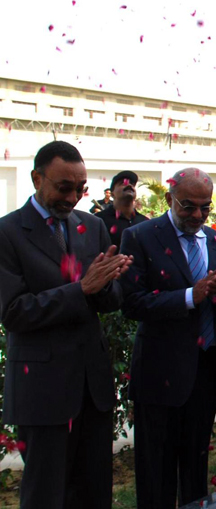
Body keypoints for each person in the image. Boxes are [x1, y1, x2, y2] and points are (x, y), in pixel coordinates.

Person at [0, 140, 131, 509]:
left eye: (80, 188)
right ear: (36, 179)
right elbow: (13, 312)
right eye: (63, 187)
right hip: (42, 390)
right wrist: (81, 289)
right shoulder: (7, 233)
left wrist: (107, 284)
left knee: (93, 491)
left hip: (92, 387)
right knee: (47, 494)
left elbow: (109, 300)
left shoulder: (92, 226)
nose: (73, 197)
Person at [120, 169, 216, 508]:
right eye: (188, 207)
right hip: (159, 374)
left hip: (203, 373)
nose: (198, 216)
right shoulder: (141, 237)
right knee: (156, 474)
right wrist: (191, 295)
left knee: (195, 471)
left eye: (205, 208)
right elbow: (131, 302)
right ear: (168, 199)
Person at [95, 170, 149, 248]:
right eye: (123, 183)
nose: (129, 185)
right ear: (112, 193)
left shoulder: (144, 222)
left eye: (133, 184)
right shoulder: (99, 221)